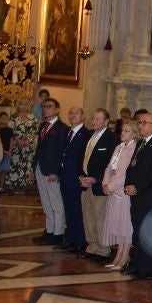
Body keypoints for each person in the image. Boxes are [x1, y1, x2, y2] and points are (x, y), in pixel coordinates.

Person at [123, 112, 152, 280]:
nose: (140, 125)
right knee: (137, 231)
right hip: (137, 196)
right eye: (140, 122)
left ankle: (146, 268)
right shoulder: (141, 143)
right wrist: (128, 184)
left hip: (150, 196)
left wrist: (138, 187)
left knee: (147, 232)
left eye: (144, 123)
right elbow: (132, 167)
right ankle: (136, 264)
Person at [79, 109, 119, 262]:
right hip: (85, 183)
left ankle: (103, 249)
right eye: (93, 118)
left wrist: (95, 178)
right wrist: (81, 175)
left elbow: (111, 165)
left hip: (99, 185)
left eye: (98, 119)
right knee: (88, 216)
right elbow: (83, 158)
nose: (94, 121)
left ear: (106, 121)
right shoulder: (89, 135)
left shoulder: (112, 139)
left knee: (100, 217)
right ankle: (92, 246)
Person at [100, 120, 137, 271]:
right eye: (123, 130)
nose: (123, 133)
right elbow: (109, 167)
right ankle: (118, 256)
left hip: (123, 192)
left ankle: (124, 256)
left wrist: (111, 186)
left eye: (127, 131)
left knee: (125, 226)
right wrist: (105, 183)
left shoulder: (133, 149)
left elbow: (126, 173)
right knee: (118, 224)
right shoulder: (119, 147)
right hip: (113, 192)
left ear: (134, 134)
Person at [32, 98, 69, 245]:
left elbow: (61, 152)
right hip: (40, 167)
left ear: (57, 110)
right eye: (44, 106)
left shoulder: (62, 128)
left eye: (49, 106)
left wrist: (55, 171)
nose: (45, 109)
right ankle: (49, 231)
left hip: (52, 170)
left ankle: (58, 233)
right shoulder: (43, 125)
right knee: (46, 203)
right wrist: (33, 167)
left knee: (56, 203)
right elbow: (39, 149)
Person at [58, 106, 92, 253]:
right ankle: (71, 239)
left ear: (83, 117)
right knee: (69, 209)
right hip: (65, 176)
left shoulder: (86, 134)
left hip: (76, 177)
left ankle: (79, 241)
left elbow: (84, 157)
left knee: (77, 210)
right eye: (71, 113)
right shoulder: (68, 132)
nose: (73, 115)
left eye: (76, 113)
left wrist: (82, 174)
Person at [5, 98, 37, 193]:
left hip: (28, 146)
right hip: (16, 145)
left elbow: (35, 132)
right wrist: (18, 141)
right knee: (15, 164)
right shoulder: (13, 117)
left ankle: (26, 186)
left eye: (26, 104)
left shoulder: (33, 117)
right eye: (21, 104)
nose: (24, 106)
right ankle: (13, 186)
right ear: (18, 105)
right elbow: (11, 130)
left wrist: (28, 141)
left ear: (29, 106)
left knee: (27, 165)